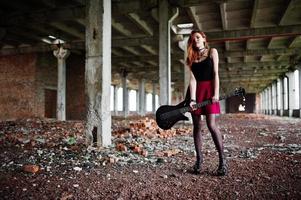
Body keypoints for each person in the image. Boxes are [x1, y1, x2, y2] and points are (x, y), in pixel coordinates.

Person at [186, 30, 227, 176]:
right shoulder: (191, 56)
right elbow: (192, 80)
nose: (195, 40)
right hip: (196, 92)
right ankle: (199, 160)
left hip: (209, 90)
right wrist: (191, 99)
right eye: (193, 39)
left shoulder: (212, 52)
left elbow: (216, 73)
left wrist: (216, 93)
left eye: (197, 37)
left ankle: (222, 160)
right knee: (197, 126)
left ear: (203, 38)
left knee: (211, 125)